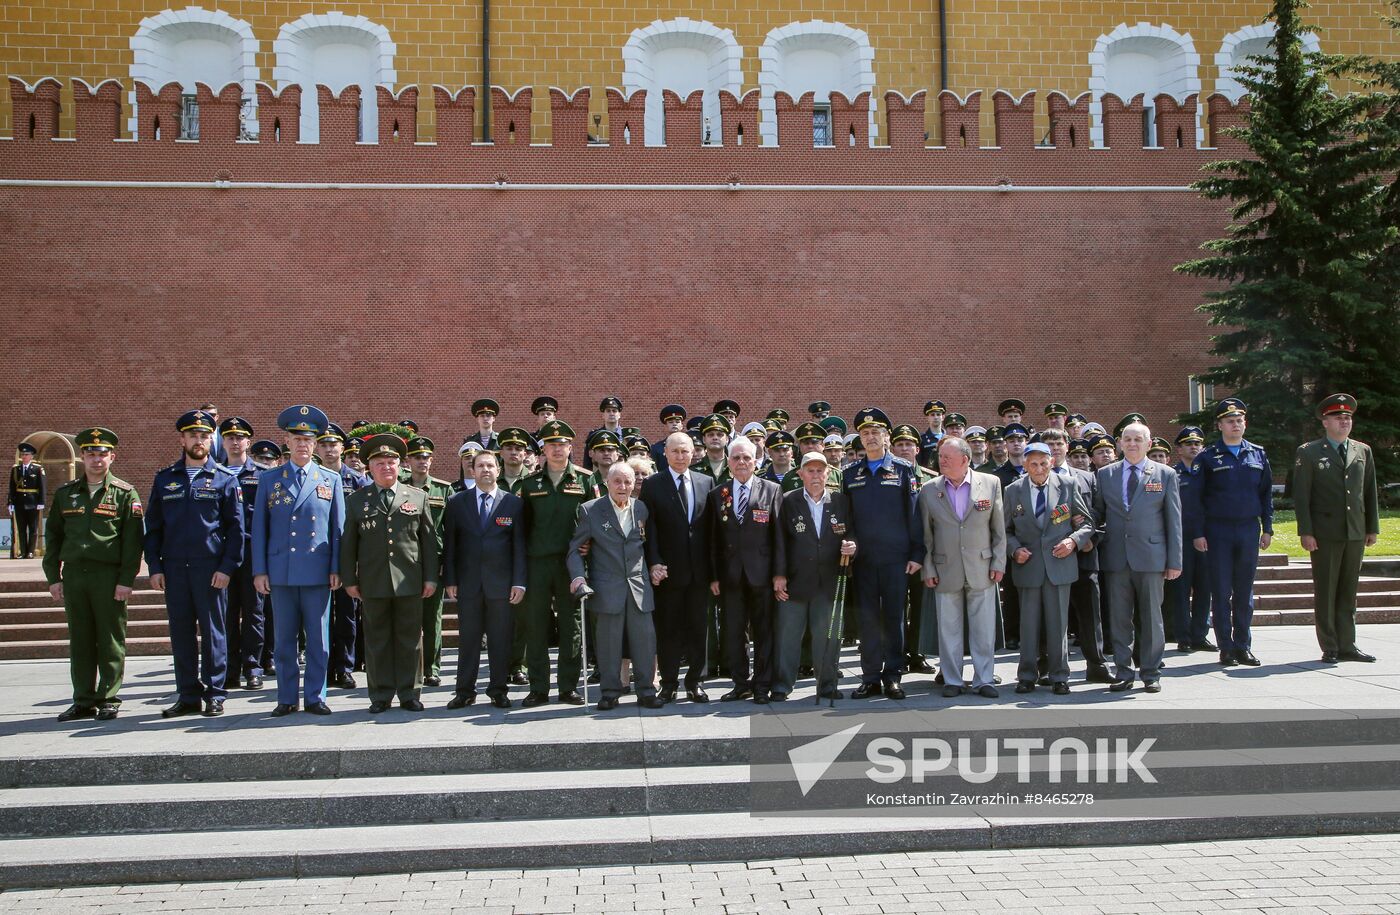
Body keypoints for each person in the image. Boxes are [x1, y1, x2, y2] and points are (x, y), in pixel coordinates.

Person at [143, 409, 244, 718]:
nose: (199, 440)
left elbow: (236, 530)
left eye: (204, 436)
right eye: (193, 435)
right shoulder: (165, 479)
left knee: (214, 633)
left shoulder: (224, 479)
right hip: (174, 568)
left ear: (210, 439)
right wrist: (155, 567)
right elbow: (154, 528)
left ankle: (215, 693)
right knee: (181, 633)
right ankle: (187, 694)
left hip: (209, 568)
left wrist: (227, 568)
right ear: (182, 439)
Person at [250, 405, 345, 717]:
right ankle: (287, 697)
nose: (302, 444)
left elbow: (337, 529)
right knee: (284, 641)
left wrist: (336, 567)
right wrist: (260, 570)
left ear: (315, 444)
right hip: (282, 571)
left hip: (317, 571)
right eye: (296, 438)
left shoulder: (330, 479)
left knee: (319, 641)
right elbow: (259, 528)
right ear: (286, 442)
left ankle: (316, 696)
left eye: (308, 439)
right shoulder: (270, 479)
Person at [43, 427, 144, 721]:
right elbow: (54, 538)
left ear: (112, 457)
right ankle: (83, 699)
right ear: (82, 458)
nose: (96, 460)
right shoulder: (66, 494)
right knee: (81, 639)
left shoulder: (125, 493)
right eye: (90, 454)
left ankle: (109, 696)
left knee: (111, 638)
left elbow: (132, 542)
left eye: (102, 454)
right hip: (75, 575)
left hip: (107, 576)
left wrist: (126, 580)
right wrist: (53, 576)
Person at [340, 434, 438, 713]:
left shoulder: (417, 497)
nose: (387, 467)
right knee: (377, 640)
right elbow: (349, 543)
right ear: (369, 467)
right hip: (373, 581)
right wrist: (350, 579)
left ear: (400, 465)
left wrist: (431, 577)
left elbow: (428, 542)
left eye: (392, 462)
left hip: (409, 580)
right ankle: (381, 694)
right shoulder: (357, 500)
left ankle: (410, 693)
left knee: (410, 640)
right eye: (380, 463)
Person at [567, 462, 665, 711]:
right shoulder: (590, 510)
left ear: (634, 484)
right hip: (607, 586)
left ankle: (646, 691)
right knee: (609, 644)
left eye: (628, 482)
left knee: (645, 642)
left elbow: (648, 545)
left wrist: (655, 566)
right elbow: (575, 551)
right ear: (607, 483)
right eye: (618, 481)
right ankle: (610, 692)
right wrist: (578, 578)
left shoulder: (641, 508)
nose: (623, 486)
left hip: (638, 587)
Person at [1093, 421, 1182, 694]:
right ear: (1119, 443)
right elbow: (1098, 515)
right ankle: (1123, 671)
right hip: (1117, 557)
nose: (1132, 444)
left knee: (1152, 618)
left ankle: (1151, 672)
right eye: (1127, 439)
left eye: (1138, 439)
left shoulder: (1165, 474)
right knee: (1119, 619)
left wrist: (1175, 561)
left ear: (1149, 443)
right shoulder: (1105, 474)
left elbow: (1174, 519)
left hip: (1152, 556)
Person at [516, 420, 600, 706]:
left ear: (569, 447)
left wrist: (591, 547)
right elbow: (522, 528)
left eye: (561, 444)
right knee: (536, 626)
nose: (556, 449)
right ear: (543, 449)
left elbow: (596, 522)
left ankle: (568, 686)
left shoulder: (586, 481)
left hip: (571, 565)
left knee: (571, 626)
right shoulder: (529, 484)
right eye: (550, 444)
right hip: (537, 563)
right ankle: (539, 687)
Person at [1293, 393, 1380, 664]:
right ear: (1325, 422)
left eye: (1348, 417)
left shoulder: (1362, 450)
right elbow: (1302, 496)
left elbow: (1369, 492)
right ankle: (1329, 644)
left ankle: (1348, 644)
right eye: (1338, 417)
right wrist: (1306, 532)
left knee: (1348, 590)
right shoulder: (1309, 452)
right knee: (1327, 589)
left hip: (1354, 531)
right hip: (1325, 533)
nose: (1344, 422)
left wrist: (1371, 527)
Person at [842, 408, 923, 699]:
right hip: (863, 560)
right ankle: (870, 676)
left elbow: (914, 514)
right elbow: (846, 517)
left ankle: (893, 676)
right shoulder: (850, 474)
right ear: (860, 440)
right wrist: (849, 542)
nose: (871, 437)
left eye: (876, 432)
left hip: (895, 558)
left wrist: (917, 553)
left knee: (893, 618)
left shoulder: (903, 470)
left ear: (887, 437)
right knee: (867, 619)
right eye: (865, 433)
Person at [1187, 400, 1274, 667]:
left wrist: (1267, 527)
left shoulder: (1257, 454)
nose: (1235, 425)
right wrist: (1198, 533)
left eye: (1239, 420)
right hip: (1218, 530)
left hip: (1248, 528)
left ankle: (1243, 646)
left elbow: (1266, 493)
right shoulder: (1208, 457)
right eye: (1229, 421)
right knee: (1222, 590)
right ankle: (1225, 646)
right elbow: (1195, 499)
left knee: (1245, 591)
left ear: (1245, 423)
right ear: (1220, 425)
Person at [920, 435, 1006, 698]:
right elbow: (926, 536)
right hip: (945, 567)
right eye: (940, 456)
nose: (941, 461)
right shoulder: (929, 489)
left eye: (947, 457)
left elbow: (999, 529)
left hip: (982, 566)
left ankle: (984, 679)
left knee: (983, 628)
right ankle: (953, 679)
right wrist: (928, 567)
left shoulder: (990, 483)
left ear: (965, 459)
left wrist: (999, 561)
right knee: (949, 628)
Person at [1004, 443, 1093, 695]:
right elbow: (1005, 530)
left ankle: (1059, 676)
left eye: (1044, 463)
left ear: (1052, 462)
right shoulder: (1013, 491)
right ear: (1025, 465)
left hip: (1059, 564)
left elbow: (1086, 523)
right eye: (1033, 464)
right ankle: (1027, 675)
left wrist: (1073, 541)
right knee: (1028, 626)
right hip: (1029, 565)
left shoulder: (1067, 485)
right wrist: (1014, 549)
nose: (1039, 468)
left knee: (1058, 624)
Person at [442, 449, 525, 709]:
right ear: (472, 470)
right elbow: (451, 545)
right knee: (468, 639)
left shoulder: (512, 503)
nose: (486, 470)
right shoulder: (457, 502)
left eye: (490, 466)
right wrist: (450, 580)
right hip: (468, 583)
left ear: (498, 471)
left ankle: (498, 689)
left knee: (500, 640)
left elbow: (519, 546)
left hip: (501, 585)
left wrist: (519, 581)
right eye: (481, 466)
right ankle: (464, 690)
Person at [772, 452, 857, 700]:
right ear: (800, 474)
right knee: (788, 636)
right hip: (795, 581)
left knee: (828, 637)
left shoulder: (841, 501)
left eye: (820, 470)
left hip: (829, 582)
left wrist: (853, 546)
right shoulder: (787, 500)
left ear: (828, 473)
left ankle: (827, 685)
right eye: (810, 470)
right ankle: (781, 686)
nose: (816, 475)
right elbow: (779, 541)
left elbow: (851, 532)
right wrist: (779, 574)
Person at [706, 437, 783, 704]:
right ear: (728, 462)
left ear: (756, 461)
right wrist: (714, 575)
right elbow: (714, 539)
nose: (741, 462)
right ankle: (741, 683)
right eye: (736, 458)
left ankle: (762, 685)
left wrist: (779, 573)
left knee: (764, 631)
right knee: (734, 632)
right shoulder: (718, 494)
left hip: (762, 575)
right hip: (731, 576)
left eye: (747, 458)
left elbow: (779, 537)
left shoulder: (771, 490)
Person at [639, 431, 715, 703]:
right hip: (668, 572)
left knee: (698, 627)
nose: (682, 456)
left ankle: (695, 682)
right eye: (676, 451)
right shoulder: (653, 484)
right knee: (668, 629)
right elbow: (650, 529)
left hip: (699, 571)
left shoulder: (707, 481)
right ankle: (669, 683)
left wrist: (713, 571)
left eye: (686, 451)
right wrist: (654, 562)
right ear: (666, 454)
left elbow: (711, 530)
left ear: (693, 453)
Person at [318, 423, 369, 690]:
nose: (329, 449)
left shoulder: (357, 480)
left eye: (333, 444)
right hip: (321, 555)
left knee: (348, 613)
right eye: (324, 444)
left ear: (342, 447)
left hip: (351, 555)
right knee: (322, 615)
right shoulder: (313, 477)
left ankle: (346, 667)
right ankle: (325, 667)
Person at [220, 417, 267, 689]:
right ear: (223, 442)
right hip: (224, 553)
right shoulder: (214, 474)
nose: (235, 442)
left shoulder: (262, 474)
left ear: (248, 442)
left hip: (252, 550)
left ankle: (253, 667)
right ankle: (230, 668)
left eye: (240, 438)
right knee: (225, 613)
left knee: (253, 611)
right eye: (230, 438)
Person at [404, 435, 453, 686]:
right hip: (406, 562)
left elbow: (453, 530)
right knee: (408, 616)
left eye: (426, 457)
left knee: (433, 617)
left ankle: (432, 668)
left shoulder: (444, 490)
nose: (422, 461)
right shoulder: (399, 488)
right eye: (417, 457)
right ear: (408, 460)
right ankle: (410, 667)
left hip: (435, 560)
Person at [1170, 426, 1215, 655]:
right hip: (1182, 539)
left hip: (1208, 538)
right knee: (1181, 590)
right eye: (1188, 444)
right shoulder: (1172, 474)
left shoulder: (1209, 472)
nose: (1194, 447)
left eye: (1197, 443)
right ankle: (1183, 636)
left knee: (1204, 588)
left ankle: (1200, 634)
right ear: (1179, 449)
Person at [9, 441, 44, 558]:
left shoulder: (37, 469)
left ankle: (30, 552)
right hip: (19, 503)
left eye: (26, 455)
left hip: (33, 502)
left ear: (31, 456)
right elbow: (12, 487)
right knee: (21, 529)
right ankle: (23, 551)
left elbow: (42, 486)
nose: (24, 457)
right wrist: (11, 502)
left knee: (33, 529)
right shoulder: (16, 470)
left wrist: (41, 502)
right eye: (22, 455)